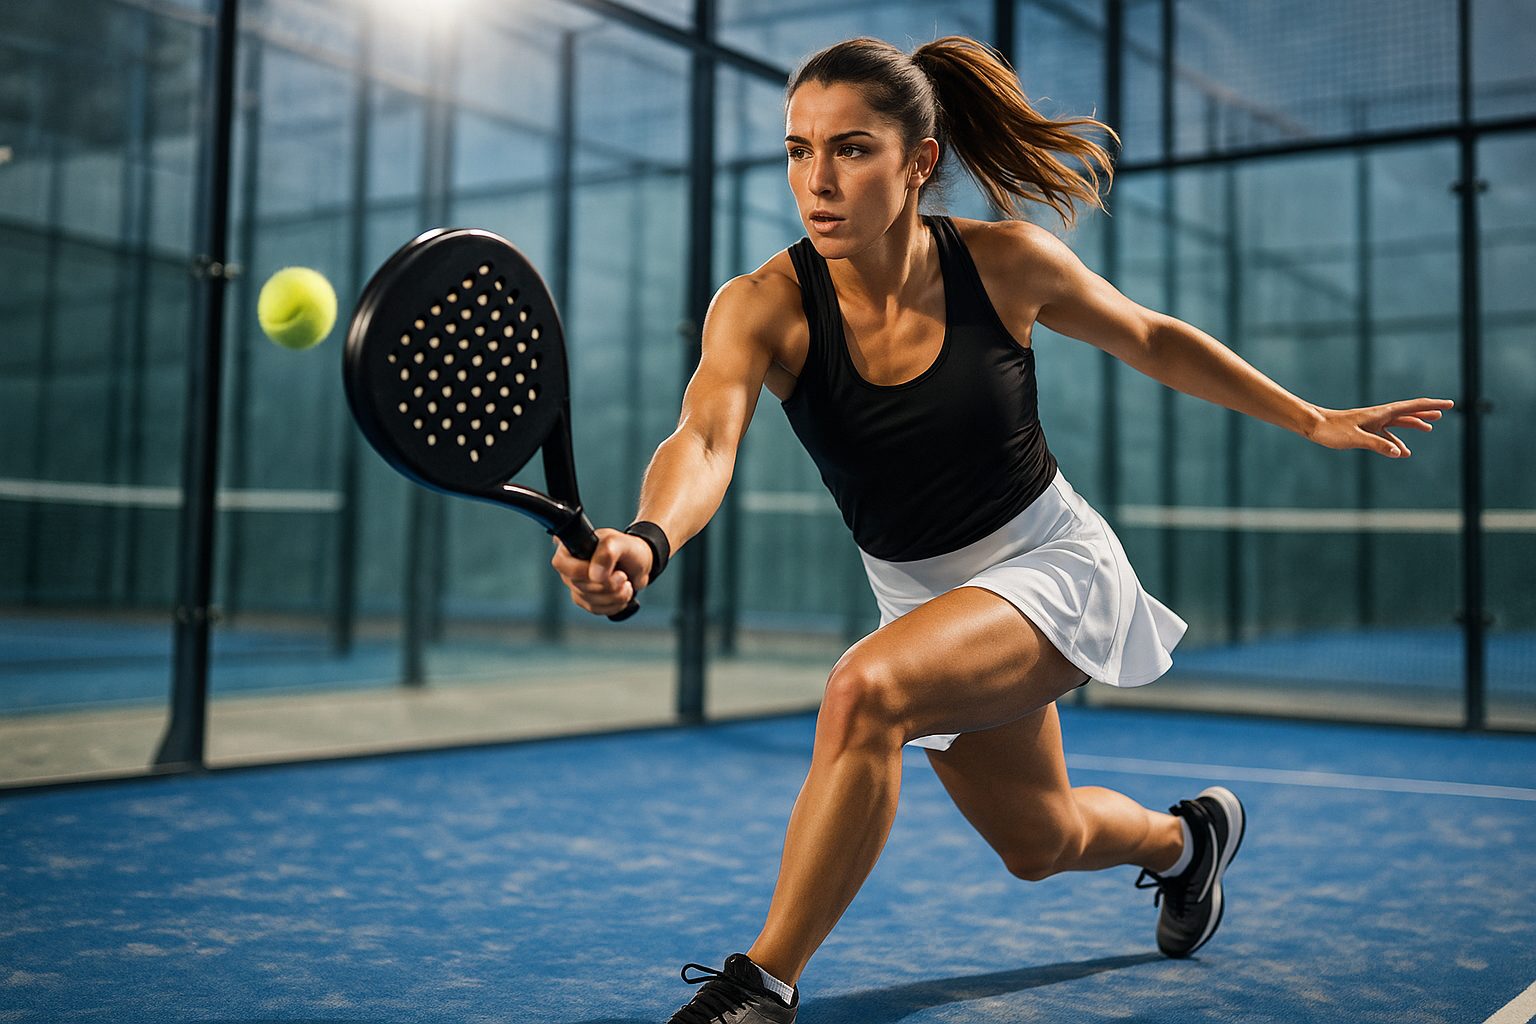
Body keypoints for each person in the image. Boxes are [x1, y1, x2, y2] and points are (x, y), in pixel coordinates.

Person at [552, 36, 1452, 1024]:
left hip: (1051, 564)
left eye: (850, 149)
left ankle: (758, 988)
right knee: (1039, 842)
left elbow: (1149, 335)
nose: (817, 179)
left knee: (866, 688)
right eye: (798, 150)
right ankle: (1186, 841)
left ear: (919, 162)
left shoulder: (1005, 263)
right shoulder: (763, 305)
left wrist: (1310, 417)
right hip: (925, 596)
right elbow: (706, 440)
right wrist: (645, 537)